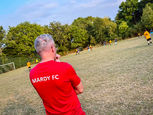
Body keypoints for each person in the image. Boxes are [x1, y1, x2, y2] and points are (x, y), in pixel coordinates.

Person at [29, 34, 85, 115]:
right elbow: (80, 89)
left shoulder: (32, 73)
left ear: (38, 51)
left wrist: (57, 64)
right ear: (52, 48)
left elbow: (51, 94)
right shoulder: (65, 67)